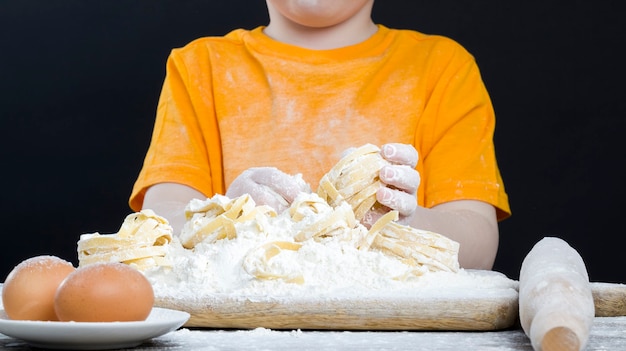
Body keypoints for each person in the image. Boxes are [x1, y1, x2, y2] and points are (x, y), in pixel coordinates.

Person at [129, 0, 511, 270]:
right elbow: (160, 221)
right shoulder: (200, 69)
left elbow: (478, 245)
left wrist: (402, 221)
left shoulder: (442, 69)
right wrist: (225, 217)